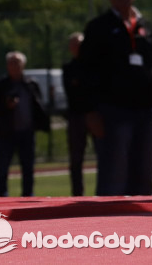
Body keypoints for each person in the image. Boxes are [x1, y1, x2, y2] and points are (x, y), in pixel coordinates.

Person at [80, 0, 152, 196]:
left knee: (143, 177)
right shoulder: (98, 27)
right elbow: (86, 71)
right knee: (114, 176)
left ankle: (143, 227)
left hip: (144, 112)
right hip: (112, 111)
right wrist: (90, 111)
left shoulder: (145, 27)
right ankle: (108, 226)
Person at [0, 52, 49, 197]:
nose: (15, 66)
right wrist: (5, 106)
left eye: (18, 62)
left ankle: (28, 197)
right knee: (2, 168)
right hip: (5, 133)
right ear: (7, 65)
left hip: (27, 132)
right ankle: (1, 197)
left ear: (23, 65)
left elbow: (39, 106)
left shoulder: (31, 84)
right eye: (12, 62)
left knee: (28, 168)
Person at [61, 32, 90, 197]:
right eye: (74, 44)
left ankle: (107, 192)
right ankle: (77, 194)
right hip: (76, 116)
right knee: (76, 158)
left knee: (106, 155)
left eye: (79, 44)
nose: (77, 47)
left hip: (95, 115)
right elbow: (72, 92)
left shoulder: (94, 66)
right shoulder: (68, 69)